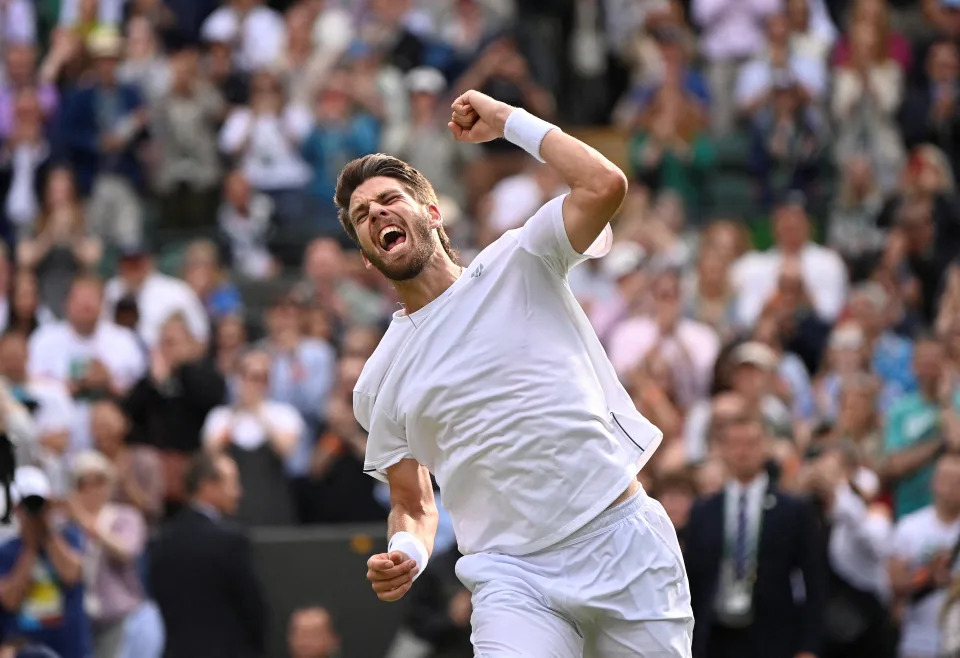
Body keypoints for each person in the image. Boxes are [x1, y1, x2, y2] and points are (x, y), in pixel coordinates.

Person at [337, 90, 692, 655]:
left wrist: (508, 122)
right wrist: (408, 550)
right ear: (365, 254)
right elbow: (413, 502)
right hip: (512, 578)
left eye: (389, 198)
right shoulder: (377, 382)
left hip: (623, 541)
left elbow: (605, 185)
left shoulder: (520, 257)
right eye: (362, 215)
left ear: (431, 213)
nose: (376, 212)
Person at [685, 414, 825, 658]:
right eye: (734, 444)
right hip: (714, 636)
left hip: (773, 636)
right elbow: (692, 580)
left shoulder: (793, 510)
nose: (742, 452)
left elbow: (814, 581)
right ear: (721, 449)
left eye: (751, 443)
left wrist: (808, 646)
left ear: (766, 447)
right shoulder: (703, 511)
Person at [150, 452, 266, 658]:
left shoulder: (161, 541)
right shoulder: (230, 542)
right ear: (207, 486)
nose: (238, 492)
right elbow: (253, 612)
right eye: (232, 483)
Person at [65, 451, 163, 658]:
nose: (93, 490)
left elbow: (126, 551)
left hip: (118, 616)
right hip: (80, 618)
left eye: (99, 481)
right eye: (84, 483)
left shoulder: (126, 517)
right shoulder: (66, 525)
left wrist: (88, 524)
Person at [0, 466, 90, 658]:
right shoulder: (6, 551)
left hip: (69, 649)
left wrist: (47, 534)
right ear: (16, 508)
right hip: (24, 649)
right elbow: (9, 600)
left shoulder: (70, 538)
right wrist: (30, 549)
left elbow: (72, 574)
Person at [888, 453, 960, 658]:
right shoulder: (910, 527)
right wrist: (926, 576)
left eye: (958, 481)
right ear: (934, 482)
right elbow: (894, 582)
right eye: (947, 480)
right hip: (918, 640)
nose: (952, 488)